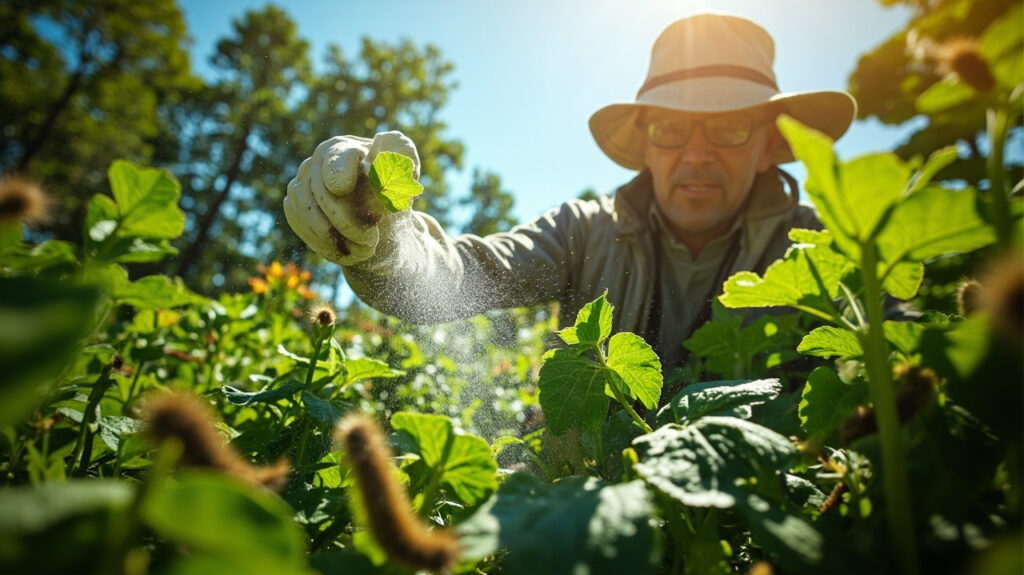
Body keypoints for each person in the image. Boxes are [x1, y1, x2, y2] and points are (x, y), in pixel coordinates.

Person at [283, 11, 856, 372]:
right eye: (671, 128)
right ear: (646, 141)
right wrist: (386, 241)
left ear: (768, 143)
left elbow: (900, 347)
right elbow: (465, 275)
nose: (697, 153)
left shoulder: (821, 247)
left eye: (730, 126)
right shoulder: (586, 230)